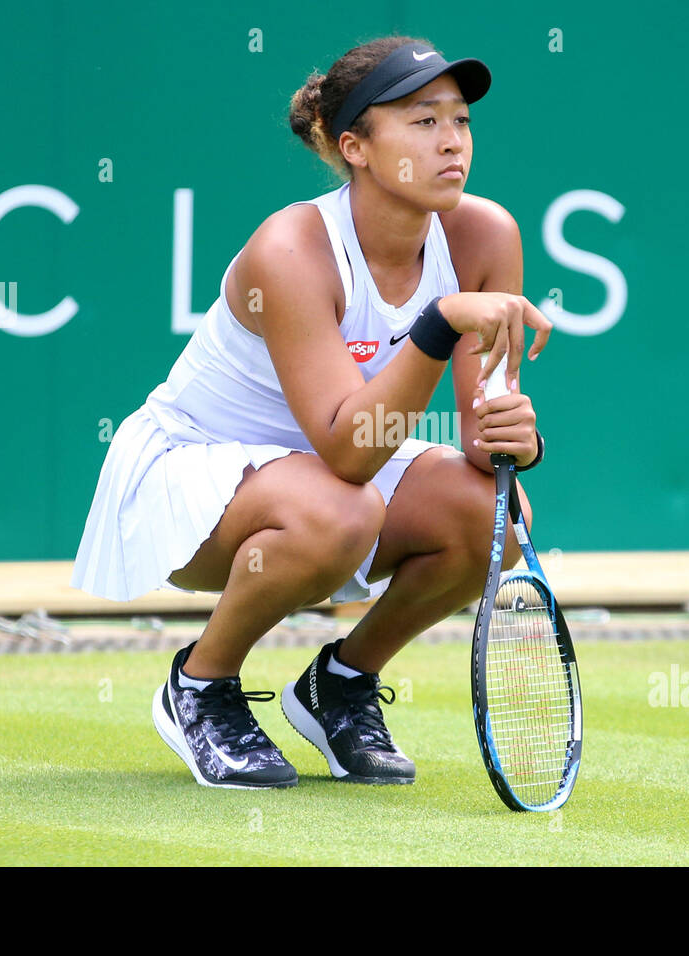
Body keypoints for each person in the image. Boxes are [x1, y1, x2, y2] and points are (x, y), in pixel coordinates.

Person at [70, 35, 553, 787]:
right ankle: (200, 685)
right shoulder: (290, 249)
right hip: (192, 480)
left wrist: (516, 442)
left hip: (329, 474)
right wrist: (437, 324)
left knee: (497, 513)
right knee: (342, 506)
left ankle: (342, 684)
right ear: (355, 146)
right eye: (423, 121)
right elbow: (351, 452)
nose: (452, 140)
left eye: (460, 120)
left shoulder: (487, 234)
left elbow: (480, 435)